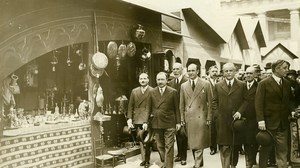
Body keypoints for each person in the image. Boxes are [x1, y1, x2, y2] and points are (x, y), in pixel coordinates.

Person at [255, 59, 294, 168]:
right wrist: (260, 120)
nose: (287, 70)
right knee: (265, 149)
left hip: (282, 124)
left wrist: (291, 110)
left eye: (287, 68)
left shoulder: (287, 83)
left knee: (282, 151)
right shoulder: (264, 83)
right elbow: (258, 103)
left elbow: (289, 100)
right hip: (267, 124)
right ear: (276, 69)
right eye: (285, 68)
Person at [212, 63, 247, 168]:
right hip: (222, 121)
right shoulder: (218, 85)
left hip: (236, 121)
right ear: (223, 72)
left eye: (230, 70)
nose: (228, 73)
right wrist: (217, 114)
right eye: (226, 71)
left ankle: (233, 165)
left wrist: (240, 112)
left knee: (235, 146)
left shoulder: (242, 85)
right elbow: (214, 102)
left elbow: (246, 101)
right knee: (224, 147)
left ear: (235, 71)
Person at [180, 63, 212, 168]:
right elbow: (182, 105)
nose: (190, 72)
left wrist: (209, 118)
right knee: (193, 144)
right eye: (189, 70)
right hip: (189, 118)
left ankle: (197, 164)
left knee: (199, 143)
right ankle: (199, 162)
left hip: (201, 118)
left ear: (197, 71)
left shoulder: (206, 84)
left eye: (193, 70)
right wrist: (182, 119)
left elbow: (211, 103)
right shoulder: (183, 86)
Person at [147, 72, 181, 168]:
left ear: (166, 80)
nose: (160, 82)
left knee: (169, 146)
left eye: (162, 79)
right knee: (160, 146)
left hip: (170, 122)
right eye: (158, 80)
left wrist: (178, 122)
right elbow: (148, 108)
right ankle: (165, 162)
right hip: (157, 123)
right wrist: (146, 121)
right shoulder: (152, 92)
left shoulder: (173, 91)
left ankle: (168, 166)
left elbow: (176, 108)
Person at [127, 73, 153, 168]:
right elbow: (130, 106)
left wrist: (149, 119)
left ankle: (147, 159)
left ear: (148, 80)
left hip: (147, 119)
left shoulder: (152, 90)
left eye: (144, 78)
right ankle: (144, 159)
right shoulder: (134, 91)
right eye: (141, 79)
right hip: (137, 119)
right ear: (138, 80)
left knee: (147, 140)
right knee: (141, 140)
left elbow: (153, 106)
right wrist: (129, 119)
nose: (142, 80)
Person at [167, 62, 189, 165]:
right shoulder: (170, 83)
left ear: (182, 70)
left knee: (182, 134)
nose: (175, 71)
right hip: (173, 111)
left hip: (183, 111)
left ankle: (183, 156)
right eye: (174, 69)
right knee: (176, 134)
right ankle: (179, 154)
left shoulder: (186, 81)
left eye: (177, 69)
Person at [243, 67, 259, 168]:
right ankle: (249, 161)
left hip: (254, 118)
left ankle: (252, 160)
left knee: (254, 141)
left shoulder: (259, 86)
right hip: (244, 118)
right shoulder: (242, 86)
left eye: (250, 73)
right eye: (246, 73)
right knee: (246, 141)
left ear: (254, 75)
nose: (248, 75)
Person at [206, 65, 219, 155]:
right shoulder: (205, 83)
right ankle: (213, 147)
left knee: (219, 128)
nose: (214, 73)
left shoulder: (220, 82)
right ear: (209, 72)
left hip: (218, 108)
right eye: (213, 71)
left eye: (216, 71)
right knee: (212, 129)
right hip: (208, 108)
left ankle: (221, 145)